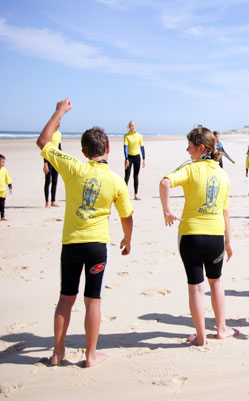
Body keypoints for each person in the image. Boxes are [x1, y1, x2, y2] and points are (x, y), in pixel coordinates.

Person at [36, 98, 133, 367]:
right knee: (93, 300)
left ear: (82, 150)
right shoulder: (115, 180)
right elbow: (127, 216)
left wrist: (59, 112)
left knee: (66, 299)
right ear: (109, 149)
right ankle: (90, 356)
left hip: (71, 244)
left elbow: (43, 142)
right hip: (97, 247)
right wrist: (127, 239)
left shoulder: (73, 167)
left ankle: (57, 353)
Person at [160, 127, 238, 346]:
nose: (187, 150)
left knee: (196, 286)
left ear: (201, 148)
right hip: (215, 237)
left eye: (190, 146)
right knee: (216, 282)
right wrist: (229, 242)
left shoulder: (191, 169)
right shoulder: (223, 174)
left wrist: (167, 210)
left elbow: (165, 182)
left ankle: (201, 337)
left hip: (191, 235)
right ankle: (222, 329)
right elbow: (225, 212)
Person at [123, 120, 146, 200]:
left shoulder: (139, 136)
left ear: (135, 126)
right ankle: (124, 194)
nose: (132, 127)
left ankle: (136, 194)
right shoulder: (126, 136)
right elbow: (125, 147)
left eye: (133, 125)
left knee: (135, 176)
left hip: (137, 158)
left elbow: (142, 147)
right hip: (129, 158)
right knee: (127, 176)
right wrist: (126, 159)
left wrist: (144, 159)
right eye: (130, 126)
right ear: (129, 127)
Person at [43, 121, 62, 207]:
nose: (59, 124)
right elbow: (45, 148)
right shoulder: (49, 133)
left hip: (56, 159)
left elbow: (59, 148)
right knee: (48, 181)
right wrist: (45, 163)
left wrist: (61, 159)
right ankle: (47, 202)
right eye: (57, 122)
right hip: (49, 159)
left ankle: (53, 201)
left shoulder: (59, 134)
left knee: (55, 181)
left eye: (60, 123)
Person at [0, 154, 13, 221]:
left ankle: (2, 216)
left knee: (2, 204)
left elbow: (7, 179)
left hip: (2, 191)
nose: (3, 164)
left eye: (4, 162)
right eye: (2, 162)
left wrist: (10, 187)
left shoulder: (4, 170)